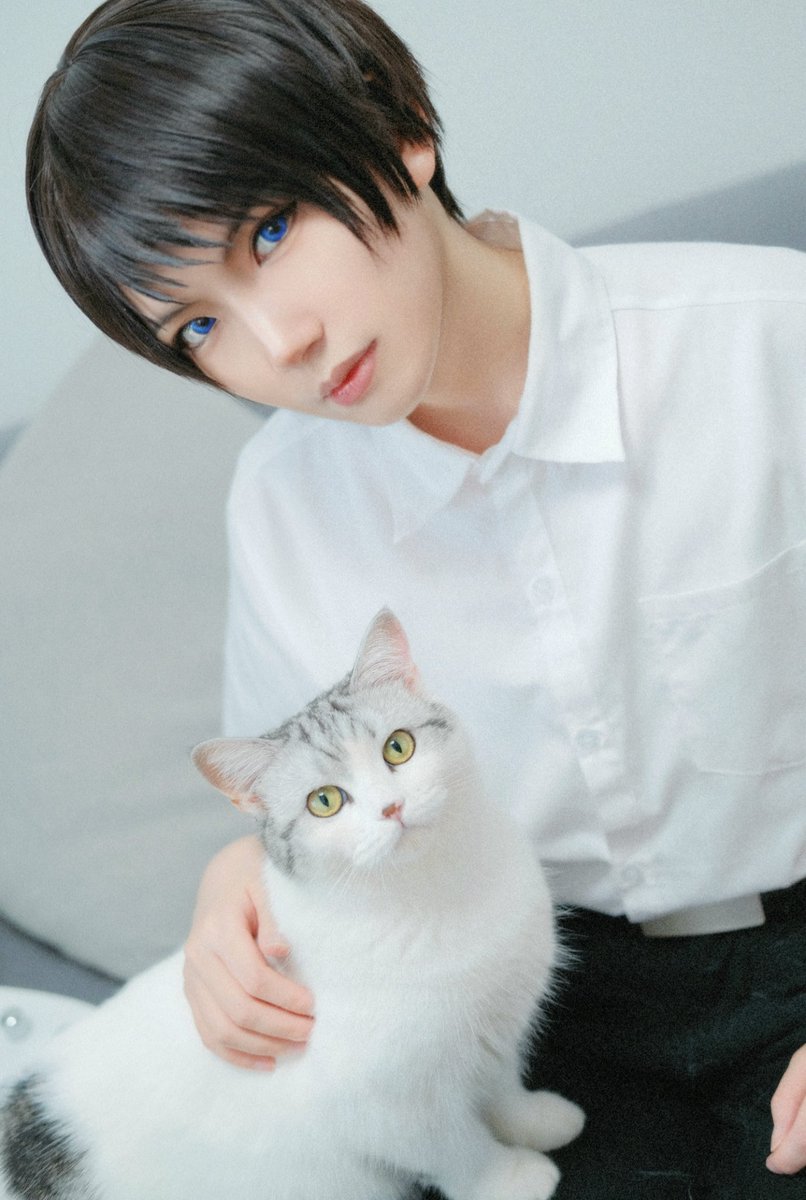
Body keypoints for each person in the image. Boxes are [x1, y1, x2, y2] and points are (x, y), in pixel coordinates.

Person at [26, 0, 806, 1195]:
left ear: (402, 133)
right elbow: (300, 783)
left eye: (270, 231)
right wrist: (234, 886)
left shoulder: (764, 340)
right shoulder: (280, 502)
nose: (278, 344)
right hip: (526, 1006)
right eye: (198, 326)